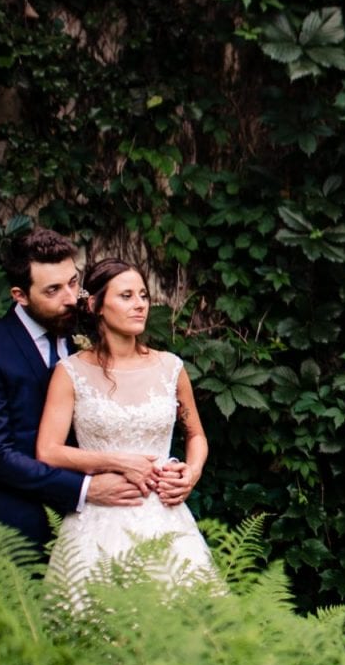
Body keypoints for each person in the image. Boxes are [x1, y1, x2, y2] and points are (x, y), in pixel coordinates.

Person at [37, 256, 218, 603]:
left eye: (143, 296)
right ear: (95, 305)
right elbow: (48, 450)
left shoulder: (170, 368)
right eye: (126, 296)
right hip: (99, 517)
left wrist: (191, 474)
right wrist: (118, 462)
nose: (139, 305)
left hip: (165, 517)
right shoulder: (70, 373)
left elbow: (195, 435)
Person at [0, 229, 144, 548]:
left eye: (73, 282)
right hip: (21, 526)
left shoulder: (88, 335)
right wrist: (85, 489)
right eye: (53, 290)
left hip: (101, 523)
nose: (71, 298)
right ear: (20, 295)